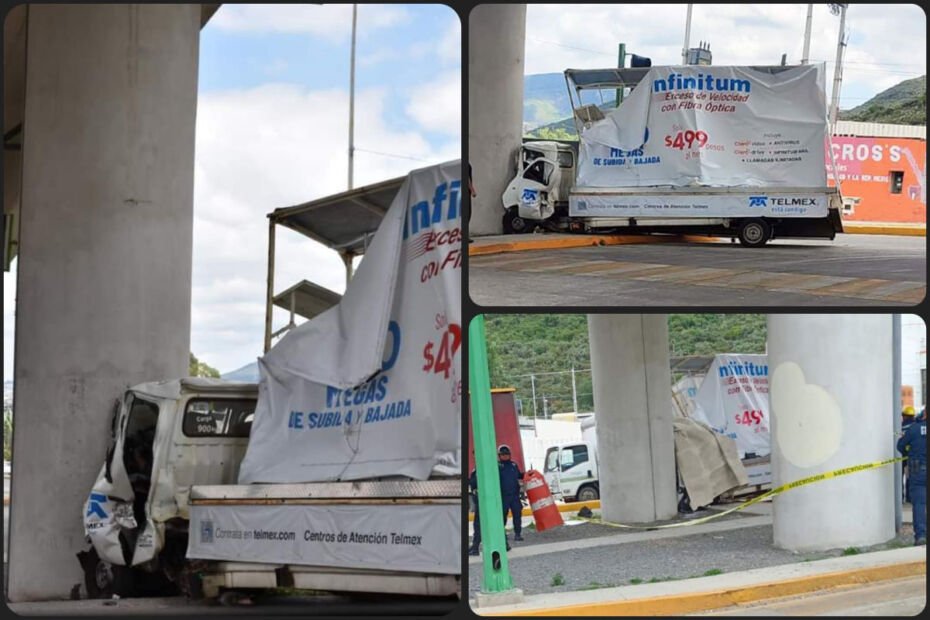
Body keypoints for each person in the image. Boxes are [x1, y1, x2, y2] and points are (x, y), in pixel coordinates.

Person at [897, 408, 927, 546]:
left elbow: (900, 445)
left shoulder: (914, 428)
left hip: (918, 469)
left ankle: (921, 536)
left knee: (919, 504)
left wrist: (909, 452)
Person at [498, 444, 525, 542]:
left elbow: (519, 476)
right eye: (503, 454)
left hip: (514, 496)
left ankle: (518, 534)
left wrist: (527, 474)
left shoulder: (514, 465)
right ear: (499, 456)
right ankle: (501, 535)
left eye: (506, 454)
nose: (505, 456)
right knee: (502, 517)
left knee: (517, 515)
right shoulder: (497, 466)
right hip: (503, 496)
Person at [902, 406, 917, 503]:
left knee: (900, 477)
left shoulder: (900, 426)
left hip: (902, 456)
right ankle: (909, 497)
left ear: (904, 416)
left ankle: (900, 497)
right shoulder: (916, 426)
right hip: (913, 456)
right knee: (911, 477)